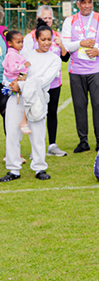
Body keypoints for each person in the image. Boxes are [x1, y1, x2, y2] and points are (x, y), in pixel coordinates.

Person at [1, 22, 61, 182]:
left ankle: (39, 167)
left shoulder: (54, 59)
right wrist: (10, 84)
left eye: (49, 39)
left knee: (37, 135)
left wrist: (20, 85)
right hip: (16, 98)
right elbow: (10, 72)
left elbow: (42, 81)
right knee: (12, 133)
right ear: (36, 39)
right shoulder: (25, 54)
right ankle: (13, 169)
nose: (46, 42)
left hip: (37, 100)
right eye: (43, 39)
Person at [61, 0, 99, 152]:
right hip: (76, 71)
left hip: (97, 70)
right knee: (79, 106)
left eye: (89, 2)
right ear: (78, 4)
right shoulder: (70, 21)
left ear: (92, 3)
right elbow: (66, 45)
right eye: (83, 3)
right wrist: (81, 43)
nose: (87, 6)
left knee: (98, 105)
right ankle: (83, 141)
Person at [22, 5, 70, 157]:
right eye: (45, 17)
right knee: (36, 114)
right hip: (35, 84)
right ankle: (36, 148)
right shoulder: (30, 37)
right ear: (38, 18)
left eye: (50, 17)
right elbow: (24, 59)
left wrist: (61, 44)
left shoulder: (56, 35)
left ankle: (52, 145)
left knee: (52, 112)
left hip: (54, 83)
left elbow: (65, 58)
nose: (48, 20)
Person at [2, 30, 31, 134]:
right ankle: (23, 122)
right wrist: (24, 65)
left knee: (25, 100)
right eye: (18, 42)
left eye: (22, 42)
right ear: (10, 43)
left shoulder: (13, 54)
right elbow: (13, 68)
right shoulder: (12, 55)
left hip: (15, 79)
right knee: (28, 99)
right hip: (16, 79)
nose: (21, 45)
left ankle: (23, 122)